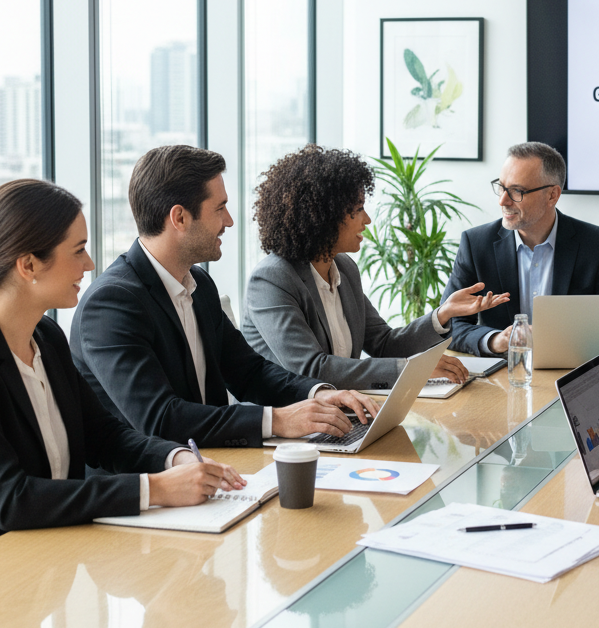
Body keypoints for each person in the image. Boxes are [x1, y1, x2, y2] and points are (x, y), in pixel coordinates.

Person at [0, 179, 245, 557]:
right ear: (28, 265)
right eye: (78, 251)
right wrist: (155, 489)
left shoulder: (47, 337)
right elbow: (10, 498)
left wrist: (176, 458)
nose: (89, 264)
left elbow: (104, 436)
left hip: (57, 552)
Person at [71, 145, 378, 448]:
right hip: (153, 486)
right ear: (179, 218)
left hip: (217, 465)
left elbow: (249, 373)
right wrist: (279, 420)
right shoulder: (111, 303)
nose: (229, 221)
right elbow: (161, 419)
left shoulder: (199, 284)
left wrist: (318, 394)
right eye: (219, 208)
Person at [242, 145, 510, 389]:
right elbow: (312, 368)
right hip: (289, 427)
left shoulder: (344, 268)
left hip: (343, 412)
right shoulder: (272, 280)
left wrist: (443, 314)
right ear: (323, 216)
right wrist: (410, 370)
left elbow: (383, 344)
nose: (367, 219)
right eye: (358, 209)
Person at [443, 141, 599, 357]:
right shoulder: (476, 244)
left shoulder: (595, 244)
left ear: (552, 195)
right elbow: (449, 325)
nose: (503, 200)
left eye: (517, 191)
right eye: (501, 187)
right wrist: (495, 340)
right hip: (501, 377)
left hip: (570, 372)